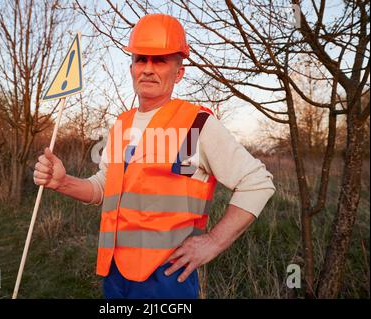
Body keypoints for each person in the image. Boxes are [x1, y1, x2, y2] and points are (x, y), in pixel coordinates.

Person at [33, 13, 276, 299]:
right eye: (141, 59)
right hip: (115, 272)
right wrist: (62, 182)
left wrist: (213, 242)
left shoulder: (195, 125)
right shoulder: (121, 125)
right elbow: (103, 187)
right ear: (132, 67)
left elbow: (257, 182)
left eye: (160, 60)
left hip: (168, 278)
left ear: (179, 72)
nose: (148, 68)